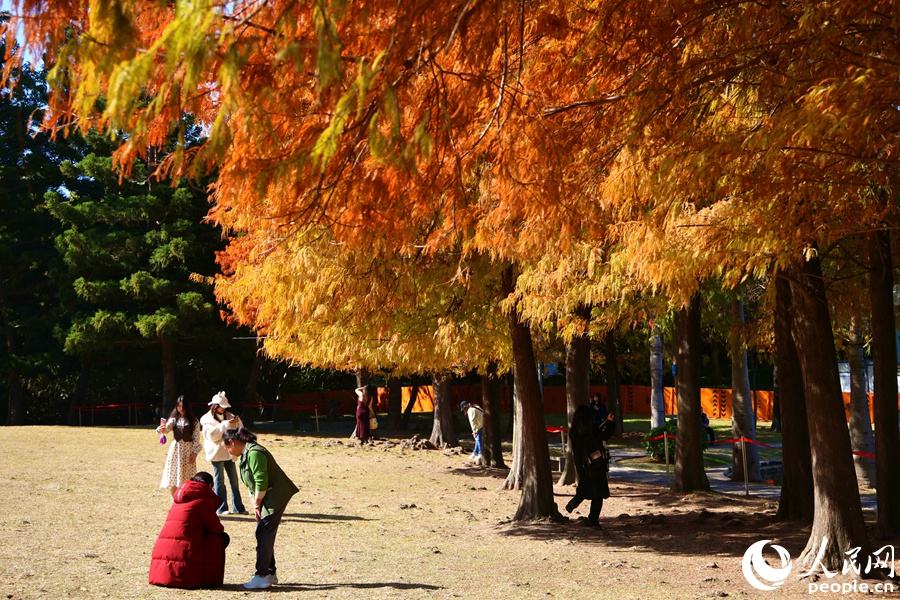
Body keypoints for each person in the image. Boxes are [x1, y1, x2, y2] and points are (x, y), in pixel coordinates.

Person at [223, 427, 299, 590]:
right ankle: (270, 573)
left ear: (232, 442)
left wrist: (258, 503)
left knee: (263, 533)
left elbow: (261, 480)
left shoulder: (254, 453)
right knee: (265, 533)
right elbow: (252, 484)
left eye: (227, 448)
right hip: (267, 497)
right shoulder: (246, 453)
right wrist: (256, 505)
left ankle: (262, 576)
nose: (229, 452)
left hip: (275, 497)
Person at [149, 472, 229, 588]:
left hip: (163, 558)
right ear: (210, 485)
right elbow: (216, 528)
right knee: (222, 538)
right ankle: (202, 574)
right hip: (186, 553)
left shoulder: (178, 499)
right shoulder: (204, 499)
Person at [565, 405, 616, 528]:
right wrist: (609, 422)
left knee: (585, 486)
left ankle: (574, 502)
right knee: (598, 494)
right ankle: (593, 519)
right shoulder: (591, 428)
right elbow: (604, 436)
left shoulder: (574, 431)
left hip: (582, 464)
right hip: (596, 463)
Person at [200, 391, 248, 515]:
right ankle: (221, 508)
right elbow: (212, 436)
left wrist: (236, 422)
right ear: (215, 406)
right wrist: (225, 425)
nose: (224, 409)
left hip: (230, 452)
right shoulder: (207, 419)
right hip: (216, 453)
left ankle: (239, 507)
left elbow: (239, 429)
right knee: (219, 481)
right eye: (222, 406)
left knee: (234, 480)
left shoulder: (229, 415)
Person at [156, 395, 202, 496]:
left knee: (187, 477)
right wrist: (161, 429)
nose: (181, 409)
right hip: (176, 450)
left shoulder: (194, 421)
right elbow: (166, 428)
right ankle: (175, 500)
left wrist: (195, 453)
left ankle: (185, 499)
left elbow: (196, 438)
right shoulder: (174, 419)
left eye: (183, 406)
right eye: (179, 406)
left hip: (188, 451)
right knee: (174, 476)